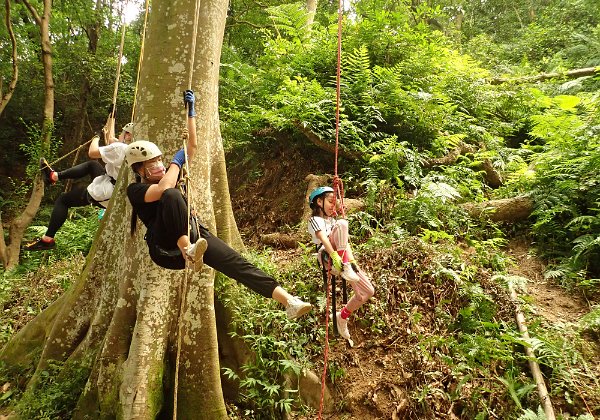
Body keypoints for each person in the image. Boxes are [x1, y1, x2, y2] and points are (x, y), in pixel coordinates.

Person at [125, 90, 311, 320]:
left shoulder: (172, 174)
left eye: (159, 160)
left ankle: (288, 301)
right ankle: (188, 251)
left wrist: (190, 114)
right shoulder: (136, 190)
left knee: (237, 263)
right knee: (172, 195)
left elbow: (191, 147)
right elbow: (164, 190)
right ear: (139, 170)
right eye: (151, 163)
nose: (159, 166)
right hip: (164, 248)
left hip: (194, 235)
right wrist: (175, 161)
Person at [24, 115, 134, 251]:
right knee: (93, 166)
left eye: (122, 132)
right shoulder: (133, 149)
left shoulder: (120, 148)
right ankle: (54, 176)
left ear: (128, 135)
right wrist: (112, 116)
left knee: (63, 200)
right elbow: (112, 139)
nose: (119, 134)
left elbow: (93, 152)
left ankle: (47, 240)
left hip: (108, 192)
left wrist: (95, 138)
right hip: (117, 187)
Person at [308, 186, 375, 340]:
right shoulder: (314, 220)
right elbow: (323, 238)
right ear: (319, 201)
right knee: (343, 224)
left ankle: (342, 316)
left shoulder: (332, 220)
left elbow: (343, 240)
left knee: (368, 292)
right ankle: (345, 266)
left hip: (343, 260)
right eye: (330, 201)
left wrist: (351, 262)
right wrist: (335, 256)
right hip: (327, 256)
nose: (333, 205)